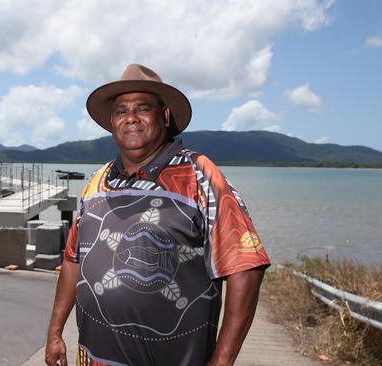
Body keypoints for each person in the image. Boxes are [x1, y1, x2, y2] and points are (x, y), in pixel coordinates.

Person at [45, 64, 270, 366]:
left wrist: (221, 361)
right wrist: (55, 332)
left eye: (143, 108)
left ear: (164, 116)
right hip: (92, 358)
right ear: (112, 121)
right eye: (121, 111)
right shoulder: (97, 181)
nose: (131, 118)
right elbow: (74, 259)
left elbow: (246, 265)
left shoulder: (197, 175)